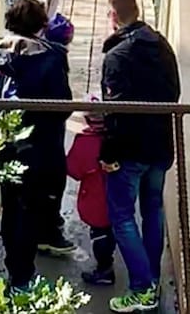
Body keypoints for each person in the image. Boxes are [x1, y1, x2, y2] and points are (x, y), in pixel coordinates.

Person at [0, 0, 75, 292]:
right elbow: (63, 106)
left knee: (10, 206)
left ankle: (12, 270)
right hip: (37, 146)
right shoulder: (51, 56)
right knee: (30, 210)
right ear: (41, 25)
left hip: (0, 142)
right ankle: (22, 277)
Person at [99, 0, 180, 313]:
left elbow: (115, 111)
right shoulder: (163, 47)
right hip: (160, 146)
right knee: (153, 212)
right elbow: (174, 94)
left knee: (122, 216)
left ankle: (142, 288)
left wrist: (107, 154)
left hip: (130, 151)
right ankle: (152, 280)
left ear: (114, 17)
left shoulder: (117, 56)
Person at [66, 97, 117, 286]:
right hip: (118, 195)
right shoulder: (119, 138)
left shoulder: (85, 142)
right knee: (115, 230)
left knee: (100, 235)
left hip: (95, 200)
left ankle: (104, 270)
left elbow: (73, 170)